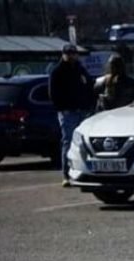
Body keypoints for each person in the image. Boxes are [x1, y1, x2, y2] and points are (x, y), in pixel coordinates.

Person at [48, 44, 94, 186]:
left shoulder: (80, 69)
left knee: (84, 143)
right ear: (63, 54)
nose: (71, 55)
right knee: (68, 141)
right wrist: (62, 108)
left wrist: (88, 105)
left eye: (73, 53)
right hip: (68, 112)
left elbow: (90, 86)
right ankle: (66, 175)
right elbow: (53, 93)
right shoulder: (57, 71)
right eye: (68, 53)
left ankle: (85, 172)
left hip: (82, 110)